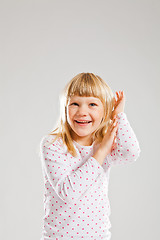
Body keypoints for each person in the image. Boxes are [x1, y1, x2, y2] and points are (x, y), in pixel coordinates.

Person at [39, 72, 141, 240]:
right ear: (65, 108)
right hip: (59, 237)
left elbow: (131, 153)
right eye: (75, 104)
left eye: (92, 104)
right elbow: (68, 193)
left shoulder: (103, 142)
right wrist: (101, 153)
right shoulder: (53, 144)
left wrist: (118, 117)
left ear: (105, 111)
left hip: (98, 236)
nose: (82, 111)